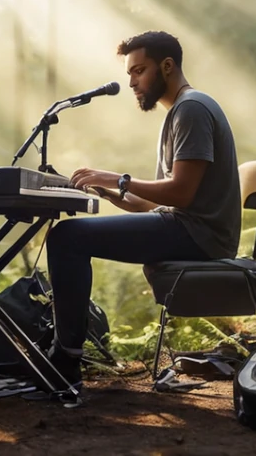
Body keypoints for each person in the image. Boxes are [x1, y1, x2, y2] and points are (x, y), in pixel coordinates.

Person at [45, 30, 241, 388]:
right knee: (68, 237)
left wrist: (118, 177)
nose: (132, 82)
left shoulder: (192, 109)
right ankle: (64, 356)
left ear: (167, 66)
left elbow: (181, 193)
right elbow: (155, 201)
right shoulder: (180, 112)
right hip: (185, 226)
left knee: (66, 238)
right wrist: (109, 192)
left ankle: (63, 363)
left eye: (139, 71)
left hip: (199, 236)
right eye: (130, 74)